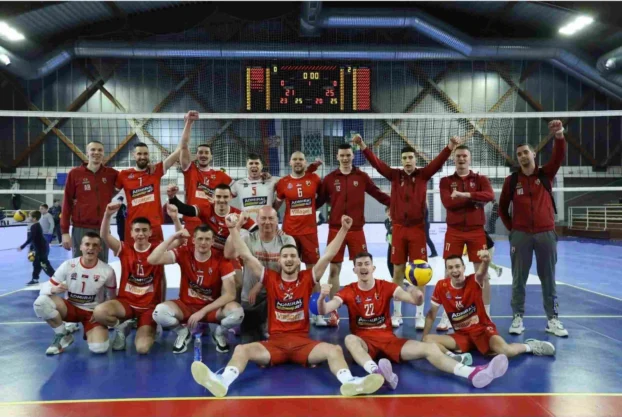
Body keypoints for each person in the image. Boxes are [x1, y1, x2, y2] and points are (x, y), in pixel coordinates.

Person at [191, 214, 384, 398]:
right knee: (241, 350)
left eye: (293, 256)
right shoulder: (270, 278)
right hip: (275, 344)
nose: (289, 259)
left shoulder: (307, 278)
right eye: (285, 256)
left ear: (299, 260)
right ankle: (222, 381)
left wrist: (343, 229)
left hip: (303, 344)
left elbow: (328, 255)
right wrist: (233, 229)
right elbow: (246, 256)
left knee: (335, 350)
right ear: (279, 260)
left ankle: (350, 382)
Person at [318, 252, 509, 389]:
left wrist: (416, 293)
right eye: (359, 264)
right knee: (349, 339)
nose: (363, 267)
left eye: (366, 263)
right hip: (365, 343)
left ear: (373, 267)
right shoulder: (349, 290)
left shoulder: (386, 286)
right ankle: (377, 372)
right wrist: (322, 298)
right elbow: (325, 309)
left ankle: (471, 372)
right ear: (354, 269)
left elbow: (413, 299)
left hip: (389, 340)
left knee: (429, 348)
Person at [354, 134, 462, 329]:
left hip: (417, 230)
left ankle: (419, 316)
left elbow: (437, 162)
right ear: (401, 161)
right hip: (398, 229)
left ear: (415, 159)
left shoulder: (423, 175)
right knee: (397, 271)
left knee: (420, 273)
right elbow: (377, 164)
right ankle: (397, 314)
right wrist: (362, 145)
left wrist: (450, 146)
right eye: (404, 158)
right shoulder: (395, 175)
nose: (407, 161)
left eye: (410, 157)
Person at [499, 120, 569, 337]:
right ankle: (517, 317)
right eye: (519, 154)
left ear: (533, 154)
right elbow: (502, 208)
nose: (522, 156)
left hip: (546, 233)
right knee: (518, 279)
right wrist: (514, 230)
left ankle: (553, 319)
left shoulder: (545, 174)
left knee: (548, 278)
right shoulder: (511, 181)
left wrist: (559, 135)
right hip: (521, 236)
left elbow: (558, 156)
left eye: (525, 152)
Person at [423, 253, 556, 360]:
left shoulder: (474, 280)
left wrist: (486, 262)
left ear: (464, 268)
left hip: (483, 330)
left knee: (506, 351)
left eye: (457, 266)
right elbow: (431, 314)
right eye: (450, 267)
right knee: (428, 339)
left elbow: (481, 273)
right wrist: (424, 337)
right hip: (462, 335)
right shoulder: (441, 286)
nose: (454, 270)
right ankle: (455, 357)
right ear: (447, 271)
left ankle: (530, 346)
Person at [316, 143, 390, 326]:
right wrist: (300, 211)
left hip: (356, 230)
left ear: (353, 156)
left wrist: (396, 203)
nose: (345, 158)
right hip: (336, 230)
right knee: (334, 270)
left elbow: (377, 193)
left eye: (348, 155)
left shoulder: (362, 177)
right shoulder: (330, 179)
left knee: (363, 269)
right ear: (337, 157)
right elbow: (318, 201)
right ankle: (333, 312)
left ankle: (366, 308)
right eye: (342, 155)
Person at [93, 203, 166, 354]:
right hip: (126, 303)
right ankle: (121, 326)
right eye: (137, 230)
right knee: (99, 312)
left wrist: (161, 305)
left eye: (144, 230)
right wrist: (107, 214)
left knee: (142, 349)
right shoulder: (125, 249)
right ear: (131, 233)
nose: (141, 234)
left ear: (150, 232)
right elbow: (104, 236)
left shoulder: (157, 251)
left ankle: (146, 327)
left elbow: (163, 278)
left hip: (148, 307)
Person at [437, 144, 494, 331]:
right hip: (454, 231)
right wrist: (475, 200)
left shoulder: (480, 179)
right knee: (449, 274)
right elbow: (448, 203)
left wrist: (463, 194)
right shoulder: (445, 181)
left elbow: (489, 195)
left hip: (476, 231)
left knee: (482, 274)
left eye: (464, 156)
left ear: (470, 158)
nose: (461, 159)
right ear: (453, 159)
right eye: (458, 156)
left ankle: (486, 315)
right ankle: (447, 315)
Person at [32, 232, 116, 355]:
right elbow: (45, 288)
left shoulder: (107, 270)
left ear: (100, 249)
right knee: (41, 303)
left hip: (92, 313)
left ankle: (92, 330)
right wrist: (53, 289)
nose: (90, 248)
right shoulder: (68, 265)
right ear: (81, 247)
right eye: (87, 244)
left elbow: (112, 297)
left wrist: (102, 313)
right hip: (69, 309)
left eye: (95, 245)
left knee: (99, 348)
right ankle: (62, 334)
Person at [224, 206, 296, 343]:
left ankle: (270, 325)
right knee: (249, 343)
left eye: (271, 218)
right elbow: (228, 253)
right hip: (251, 299)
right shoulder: (248, 238)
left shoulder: (286, 240)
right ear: (257, 220)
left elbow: (290, 270)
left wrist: (260, 283)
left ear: (277, 220)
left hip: (276, 298)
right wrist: (237, 225)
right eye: (263, 218)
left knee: (275, 339)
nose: (267, 222)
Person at [61, 140, 118, 262]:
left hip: (103, 228)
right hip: (80, 228)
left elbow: (131, 177)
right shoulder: (75, 173)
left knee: (102, 266)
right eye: (93, 150)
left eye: (100, 150)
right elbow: (67, 203)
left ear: (103, 153)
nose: (96, 152)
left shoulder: (111, 174)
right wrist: (64, 232)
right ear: (87, 153)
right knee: (80, 265)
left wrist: (148, 168)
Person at [179, 111, 235, 235]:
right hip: (192, 219)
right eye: (200, 152)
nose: (203, 155)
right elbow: (183, 146)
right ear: (196, 155)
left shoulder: (220, 175)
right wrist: (189, 123)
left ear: (211, 156)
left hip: (212, 222)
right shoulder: (190, 170)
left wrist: (263, 177)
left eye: (206, 153)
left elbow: (238, 189)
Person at [115, 142, 180, 245]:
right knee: (133, 255)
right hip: (133, 228)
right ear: (133, 155)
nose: (142, 157)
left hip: (153, 227)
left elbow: (176, 154)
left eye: (145, 154)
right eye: (139, 154)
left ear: (148, 155)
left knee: (157, 255)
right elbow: (110, 193)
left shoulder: (155, 171)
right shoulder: (124, 175)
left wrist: (187, 132)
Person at [273, 151, 322, 268]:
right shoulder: (283, 182)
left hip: (309, 232)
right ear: (290, 162)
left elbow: (324, 197)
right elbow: (275, 207)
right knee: (292, 267)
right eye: (295, 159)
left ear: (305, 162)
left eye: (300, 159)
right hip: (290, 232)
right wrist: (274, 226)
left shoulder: (314, 178)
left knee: (313, 269)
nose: (298, 162)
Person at [18, 210, 55, 286]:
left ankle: (55, 277)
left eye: (30, 216)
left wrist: (22, 246)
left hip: (41, 249)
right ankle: (35, 279)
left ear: (34, 218)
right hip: (40, 248)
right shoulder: (37, 225)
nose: (29, 218)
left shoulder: (34, 226)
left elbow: (31, 238)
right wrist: (32, 248)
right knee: (36, 264)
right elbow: (35, 239)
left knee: (44, 264)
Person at [384, 206, 393, 278]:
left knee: (398, 262)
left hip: (397, 243)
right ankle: (393, 276)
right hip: (390, 243)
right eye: (387, 211)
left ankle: (403, 276)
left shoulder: (396, 221)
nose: (389, 212)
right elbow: (388, 230)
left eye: (390, 211)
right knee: (389, 262)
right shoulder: (386, 221)